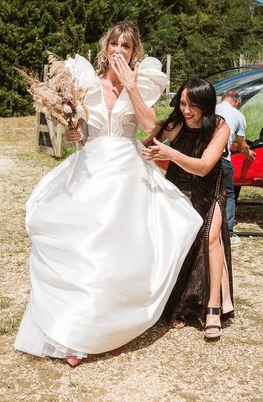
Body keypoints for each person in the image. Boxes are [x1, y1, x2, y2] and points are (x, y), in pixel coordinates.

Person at [14, 21, 202, 366]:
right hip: (92, 167)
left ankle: (113, 329)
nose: (119, 50)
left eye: (127, 46)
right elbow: (83, 130)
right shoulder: (86, 83)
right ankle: (77, 332)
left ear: (134, 52)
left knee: (120, 251)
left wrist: (130, 86)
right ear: (106, 48)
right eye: (115, 44)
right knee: (85, 248)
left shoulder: (141, 83)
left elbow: (149, 127)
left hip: (127, 172)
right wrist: (74, 133)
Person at [142, 78, 233, 340]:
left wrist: (170, 155)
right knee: (176, 243)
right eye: (182, 103)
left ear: (206, 105)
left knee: (210, 237)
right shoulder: (174, 124)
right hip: (178, 188)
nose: (186, 110)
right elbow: (146, 145)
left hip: (211, 190)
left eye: (193, 105)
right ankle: (176, 305)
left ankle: (212, 309)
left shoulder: (219, 126)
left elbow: (205, 166)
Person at [215, 90, 256, 247]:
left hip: (203, 158)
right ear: (237, 103)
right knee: (229, 195)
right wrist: (248, 153)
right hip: (223, 159)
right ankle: (229, 234)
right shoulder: (238, 115)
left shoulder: (211, 109)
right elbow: (241, 143)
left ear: (223, 99)